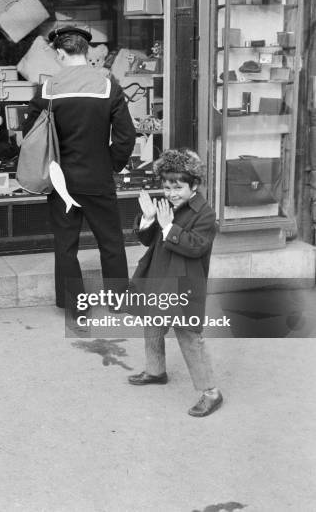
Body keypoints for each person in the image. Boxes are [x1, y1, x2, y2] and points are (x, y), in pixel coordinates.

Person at [23, 26, 136, 314]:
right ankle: (118, 301)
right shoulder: (108, 85)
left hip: (61, 178)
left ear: (60, 53)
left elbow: (31, 135)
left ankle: (75, 306)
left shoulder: (48, 89)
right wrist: (111, 164)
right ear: (87, 52)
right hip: (98, 177)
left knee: (66, 245)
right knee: (111, 241)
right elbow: (126, 136)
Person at [128, 148, 223, 417]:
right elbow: (148, 240)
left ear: (194, 185)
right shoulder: (167, 206)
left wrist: (169, 227)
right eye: (166, 186)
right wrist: (148, 219)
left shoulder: (205, 214)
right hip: (159, 277)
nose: (170, 193)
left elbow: (195, 247)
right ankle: (156, 370)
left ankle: (211, 392)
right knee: (153, 323)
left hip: (183, 284)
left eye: (177, 187)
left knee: (189, 335)